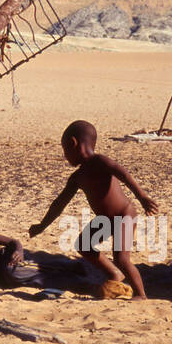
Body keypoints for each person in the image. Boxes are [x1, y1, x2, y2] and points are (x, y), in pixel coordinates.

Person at [28, 120, 157, 300]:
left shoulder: (100, 161)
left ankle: (140, 294)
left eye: (65, 151)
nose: (65, 156)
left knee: (122, 259)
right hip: (105, 219)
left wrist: (141, 197)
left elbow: (123, 173)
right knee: (84, 245)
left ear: (73, 144)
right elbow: (59, 204)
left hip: (124, 214)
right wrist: (42, 225)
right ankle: (115, 274)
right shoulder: (77, 177)